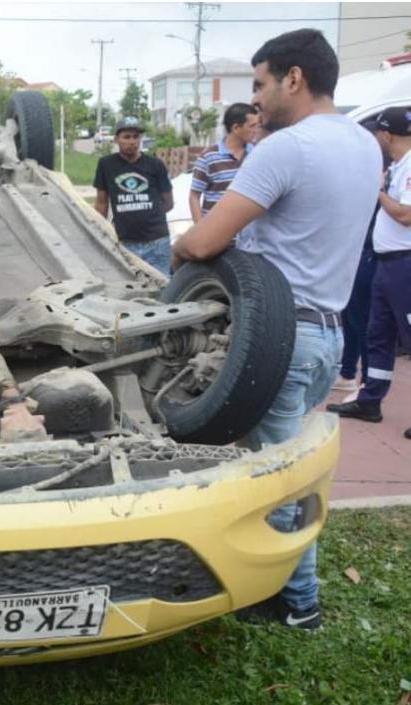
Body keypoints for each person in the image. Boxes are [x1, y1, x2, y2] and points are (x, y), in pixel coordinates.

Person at [173, 29, 383, 629]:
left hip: (281, 338)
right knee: (286, 467)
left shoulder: (286, 150)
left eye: (261, 84)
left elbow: (210, 239)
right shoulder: (366, 145)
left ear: (294, 78)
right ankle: (280, 589)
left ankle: (298, 603)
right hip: (327, 336)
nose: (256, 100)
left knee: (277, 479)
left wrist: (179, 252)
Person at [327, 105, 411, 441]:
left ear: (387, 134)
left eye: (378, 132)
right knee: (378, 335)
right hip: (387, 263)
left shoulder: (407, 168)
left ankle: (370, 396)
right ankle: (370, 398)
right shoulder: (397, 166)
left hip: (405, 263)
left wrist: (376, 192)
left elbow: (406, 215)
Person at [334, 117, 387, 396]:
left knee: (365, 322)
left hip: (370, 253)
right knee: (352, 317)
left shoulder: (381, 172)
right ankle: (347, 373)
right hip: (356, 252)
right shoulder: (366, 170)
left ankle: (366, 382)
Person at [93, 115, 174, 275]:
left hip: (157, 243)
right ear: (116, 139)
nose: (132, 141)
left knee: (161, 289)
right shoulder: (106, 165)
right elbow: (102, 203)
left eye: (136, 137)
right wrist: (100, 231)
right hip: (124, 243)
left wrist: (146, 214)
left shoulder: (155, 164)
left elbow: (168, 202)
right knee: (129, 289)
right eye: (127, 137)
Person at [189, 103, 259, 222]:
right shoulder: (208, 157)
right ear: (236, 128)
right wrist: (201, 230)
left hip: (249, 237)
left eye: (257, 125)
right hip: (216, 235)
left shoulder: (257, 154)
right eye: (252, 126)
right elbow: (194, 196)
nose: (256, 130)